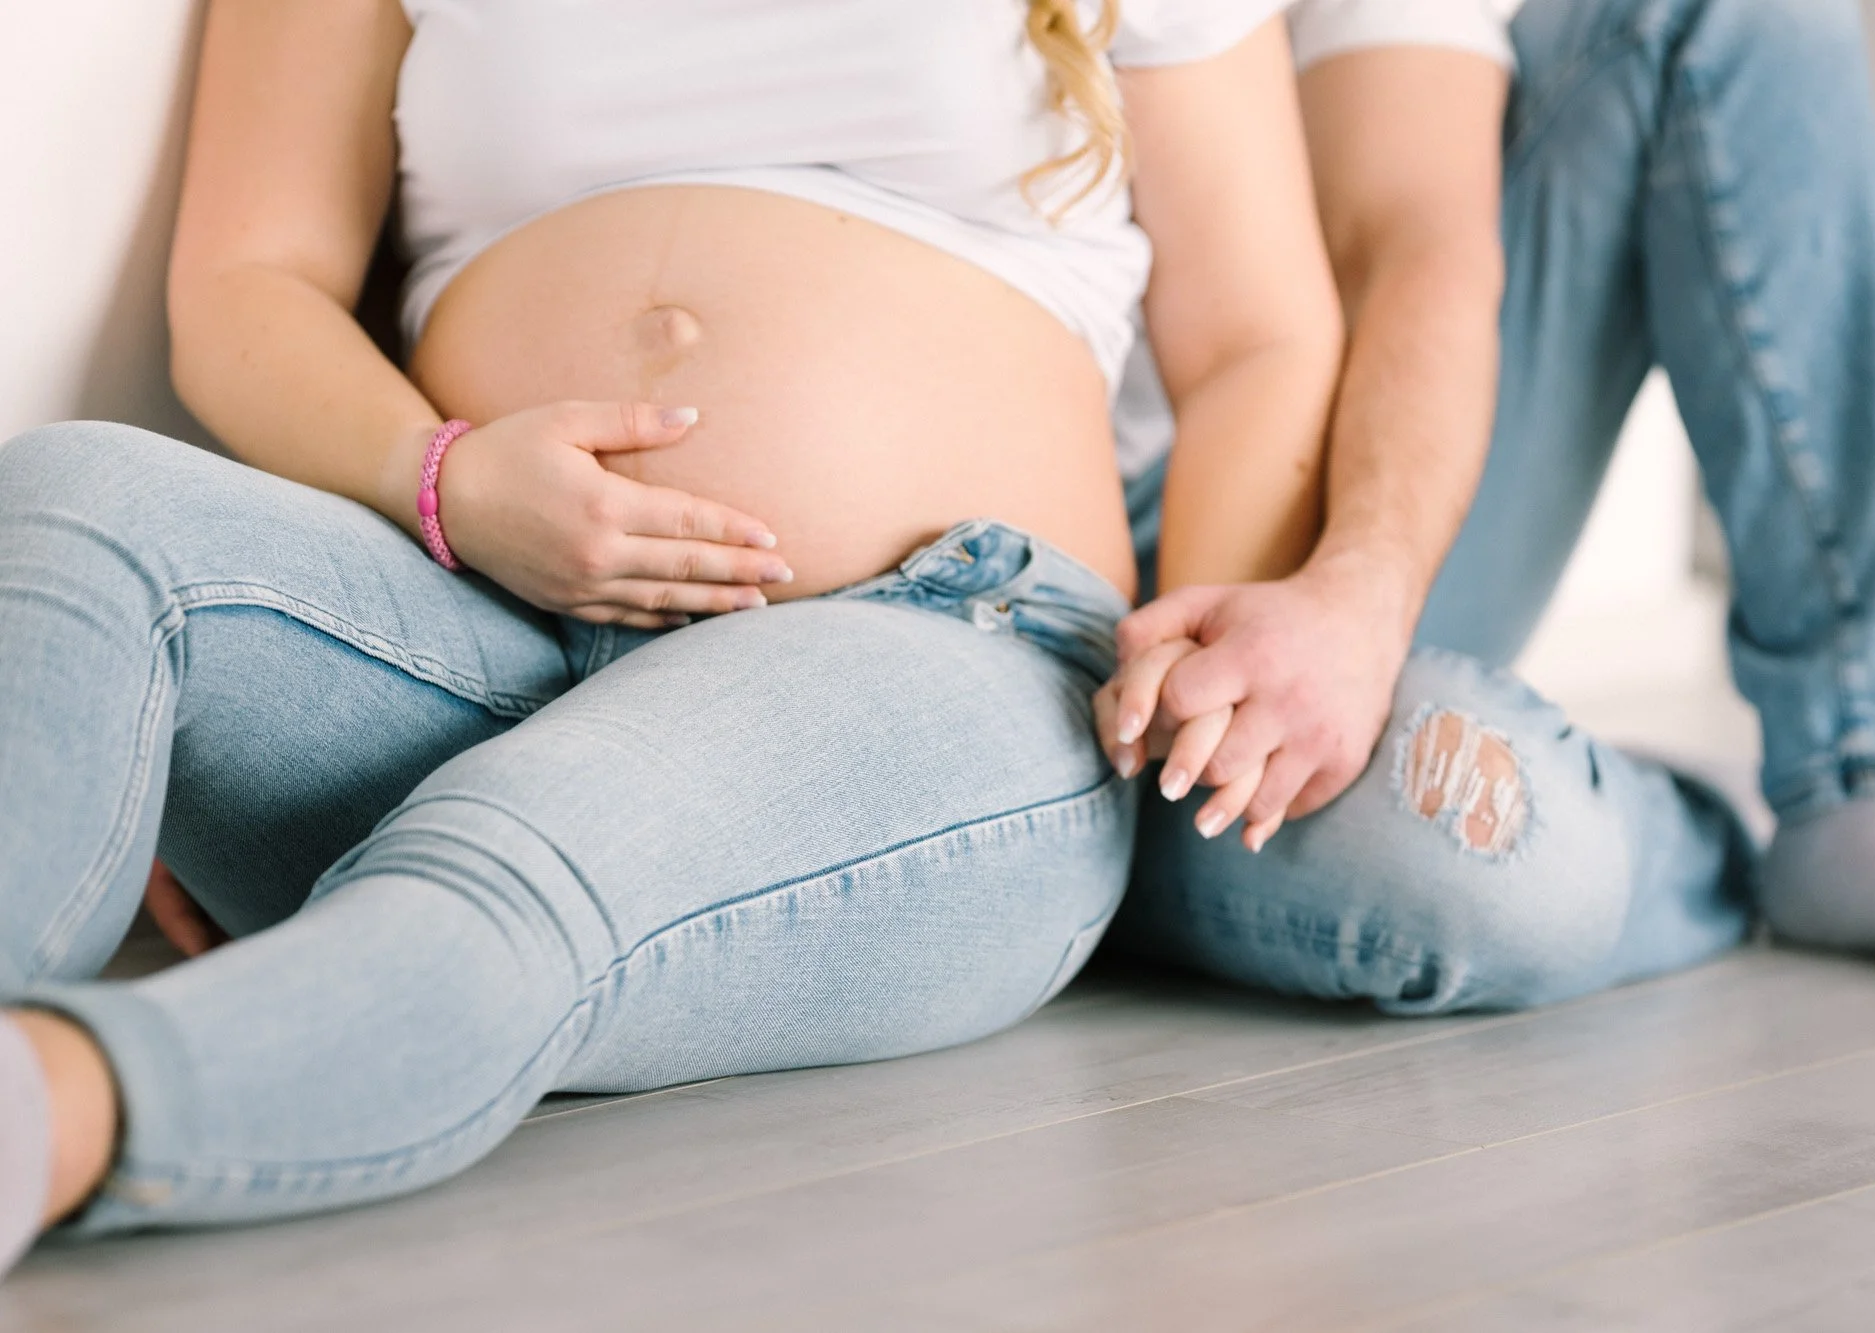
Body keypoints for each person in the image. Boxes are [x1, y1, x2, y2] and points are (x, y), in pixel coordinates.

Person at [0, 0, 1337, 1273]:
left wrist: (1199, 643)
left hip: (943, 643)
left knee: (525, 841)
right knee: (75, 504)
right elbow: (249, 279)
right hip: (468, 612)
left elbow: (1257, 339)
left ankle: (47, 1120)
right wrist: (443, 476)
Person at [1095, 0, 1875, 1013]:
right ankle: (1664, 812)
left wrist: (1359, 591)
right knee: (1481, 859)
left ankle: (1863, 779)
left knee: (1723, 13)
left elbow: (1414, 241)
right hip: (1066, 576)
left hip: (1311, 507)